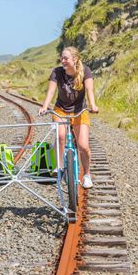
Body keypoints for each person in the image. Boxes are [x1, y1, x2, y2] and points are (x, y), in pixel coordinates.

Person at [38, 46, 99, 189]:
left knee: (83, 146)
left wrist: (93, 105)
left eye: (66, 58)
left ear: (75, 59)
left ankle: (87, 175)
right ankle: (59, 167)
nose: (63, 61)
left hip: (80, 110)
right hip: (61, 109)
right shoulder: (57, 72)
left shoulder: (85, 71)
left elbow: (90, 89)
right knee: (60, 136)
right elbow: (51, 91)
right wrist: (45, 106)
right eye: (62, 58)